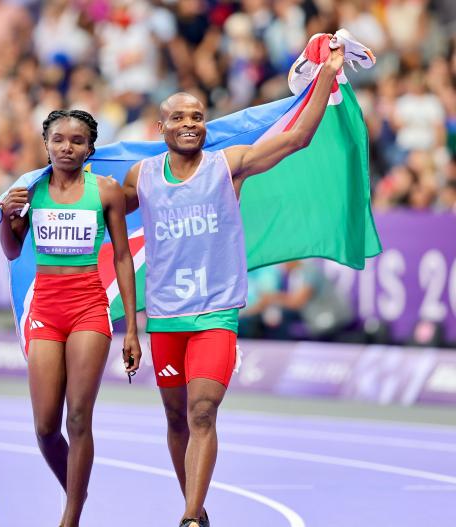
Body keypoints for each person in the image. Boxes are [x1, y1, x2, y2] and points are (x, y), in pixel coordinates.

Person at [122, 37, 350, 527]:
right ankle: (199, 510)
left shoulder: (229, 166)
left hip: (215, 313)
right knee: (177, 419)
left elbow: (295, 140)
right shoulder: (140, 177)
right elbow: (94, 210)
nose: (189, 124)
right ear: (160, 127)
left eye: (197, 116)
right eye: (179, 117)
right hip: (164, 317)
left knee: (203, 412)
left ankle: (186, 519)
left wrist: (328, 74)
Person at [0, 110, 141, 527]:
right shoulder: (29, 191)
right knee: (45, 427)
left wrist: (131, 328)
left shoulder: (107, 191)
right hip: (46, 309)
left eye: (77, 141)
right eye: (59, 139)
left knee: (78, 417)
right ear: (46, 143)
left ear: (90, 148)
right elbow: (10, 250)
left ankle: (71, 517)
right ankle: (77, 487)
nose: (67, 147)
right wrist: (8, 218)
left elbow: (122, 256)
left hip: (89, 308)